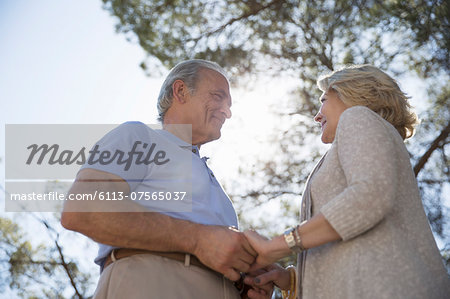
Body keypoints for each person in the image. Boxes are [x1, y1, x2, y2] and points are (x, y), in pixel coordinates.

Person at [61, 59, 272, 299]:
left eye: (229, 104)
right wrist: (198, 240)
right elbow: (82, 209)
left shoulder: (215, 185)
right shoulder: (139, 136)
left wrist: (245, 281)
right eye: (217, 96)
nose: (227, 111)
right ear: (180, 91)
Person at [243, 64, 450, 298]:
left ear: (351, 93)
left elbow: (369, 197)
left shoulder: (358, 115)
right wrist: (291, 281)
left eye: (323, 100)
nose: (316, 115)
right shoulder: (365, 138)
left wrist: (278, 245)